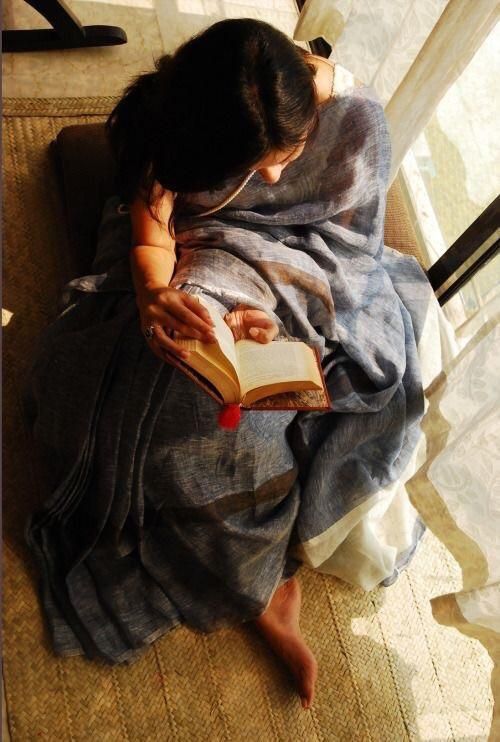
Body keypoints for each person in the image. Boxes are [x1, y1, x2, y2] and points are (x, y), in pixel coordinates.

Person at [24, 18, 436, 711]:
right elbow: (153, 221)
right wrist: (156, 293)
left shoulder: (356, 123)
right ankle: (255, 574)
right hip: (191, 250)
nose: (274, 175)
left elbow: (346, 255)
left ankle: (260, 579)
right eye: (256, 163)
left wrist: (278, 320)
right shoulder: (173, 120)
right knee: (145, 389)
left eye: (285, 155)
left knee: (243, 415)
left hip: (303, 269)